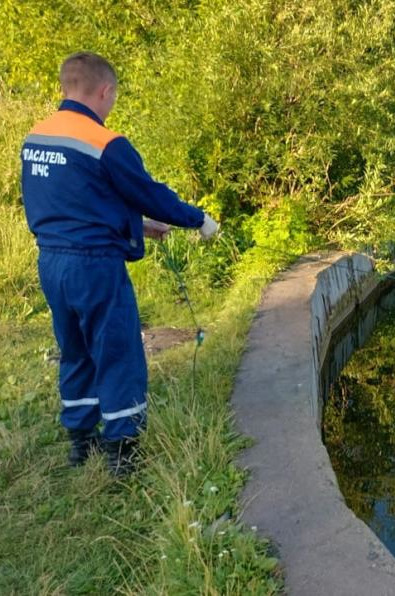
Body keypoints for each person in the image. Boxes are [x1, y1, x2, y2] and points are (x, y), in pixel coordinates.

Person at [20, 52, 219, 476]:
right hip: (95, 268)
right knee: (117, 351)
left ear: (66, 87)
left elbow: (77, 202)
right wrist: (196, 218)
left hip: (52, 263)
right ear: (105, 91)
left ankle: (81, 441)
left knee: (75, 349)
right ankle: (122, 452)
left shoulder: (36, 138)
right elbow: (149, 192)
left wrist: (138, 226)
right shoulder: (105, 142)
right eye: (113, 98)